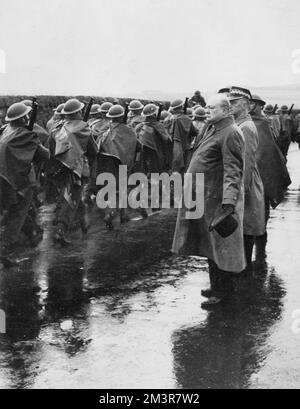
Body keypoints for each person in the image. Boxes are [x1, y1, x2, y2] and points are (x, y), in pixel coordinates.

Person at [172, 93, 246, 307]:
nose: (207, 111)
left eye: (212, 108)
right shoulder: (213, 128)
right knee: (212, 246)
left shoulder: (231, 132)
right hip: (206, 197)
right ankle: (216, 286)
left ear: (226, 110)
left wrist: (229, 203)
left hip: (217, 199)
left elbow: (234, 170)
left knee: (221, 246)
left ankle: (223, 293)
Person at [0, 102, 49, 266]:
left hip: (4, 178)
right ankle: (5, 249)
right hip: (20, 182)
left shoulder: (5, 130)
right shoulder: (26, 135)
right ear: (24, 118)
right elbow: (45, 156)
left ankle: (33, 233)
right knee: (18, 213)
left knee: (18, 210)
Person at [51, 98, 98, 245]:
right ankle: (60, 231)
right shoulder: (84, 128)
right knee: (70, 200)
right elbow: (94, 151)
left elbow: (50, 148)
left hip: (58, 168)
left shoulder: (57, 127)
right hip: (75, 169)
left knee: (71, 197)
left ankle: (83, 223)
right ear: (78, 112)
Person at [250, 96, 291, 259]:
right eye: (249, 103)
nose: (251, 106)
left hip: (263, 169)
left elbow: (270, 146)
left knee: (263, 202)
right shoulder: (241, 122)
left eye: (254, 103)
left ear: (260, 106)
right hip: (249, 169)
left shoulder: (264, 123)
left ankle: (261, 235)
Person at [229, 87, 265, 271]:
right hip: (241, 184)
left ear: (246, 105)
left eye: (234, 102)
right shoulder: (239, 124)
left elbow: (247, 163)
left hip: (245, 185)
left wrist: (238, 192)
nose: (230, 105)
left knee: (244, 232)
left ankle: (241, 280)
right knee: (240, 232)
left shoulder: (246, 127)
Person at [97, 104, 137, 229]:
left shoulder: (105, 131)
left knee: (110, 192)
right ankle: (116, 214)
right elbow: (137, 145)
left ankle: (113, 212)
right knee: (123, 190)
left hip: (106, 165)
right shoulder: (129, 131)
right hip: (122, 165)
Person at [169, 99, 198, 174]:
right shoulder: (186, 119)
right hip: (183, 147)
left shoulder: (168, 119)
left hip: (169, 148)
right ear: (181, 107)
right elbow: (194, 132)